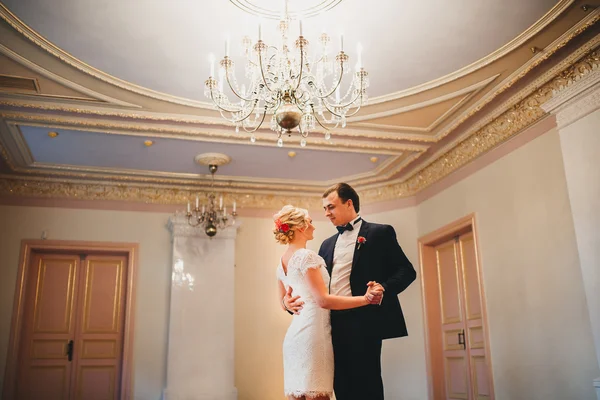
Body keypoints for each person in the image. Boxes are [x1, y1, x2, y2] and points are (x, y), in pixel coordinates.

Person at [282, 183, 416, 400]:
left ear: (349, 203)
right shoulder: (325, 245)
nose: (326, 213)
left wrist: (384, 288)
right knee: (338, 386)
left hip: (365, 321)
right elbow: (312, 290)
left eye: (331, 207)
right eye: (325, 208)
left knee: (367, 385)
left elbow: (407, 271)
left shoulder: (380, 233)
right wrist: (287, 303)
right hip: (328, 324)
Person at [274, 205, 384, 400]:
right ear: (300, 227)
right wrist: (365, 299)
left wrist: (287, 303)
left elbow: (283, 302)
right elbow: (323, 300)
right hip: (313, 335)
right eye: (310, 222)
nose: (313, 227)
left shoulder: (282, 261)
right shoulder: (306, 256)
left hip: (294, 336)